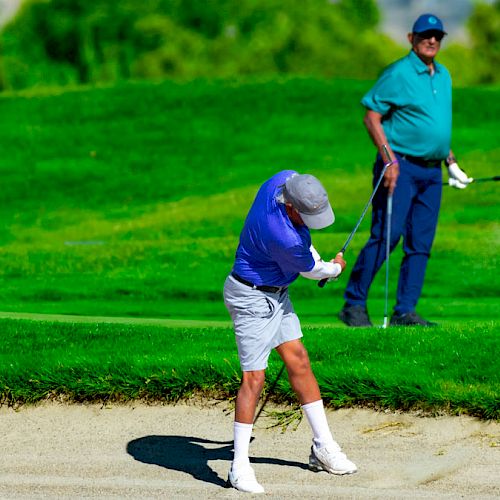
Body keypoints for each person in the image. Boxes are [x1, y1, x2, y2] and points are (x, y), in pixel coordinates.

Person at [223, 170, 357, 494]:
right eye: (308, 216)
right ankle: (238, 466)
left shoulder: (280, 181)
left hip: (277, 294)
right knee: (254, 379)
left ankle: (322, 447)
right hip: (251, 297)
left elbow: (307, 253)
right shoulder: (281, 234)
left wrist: (322, 263)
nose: (312, 221)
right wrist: (335, 269)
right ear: (293, 208)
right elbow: (311, 268)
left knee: (298, 360)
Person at [339, 13, 473, 328]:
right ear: (411, 38)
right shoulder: (399, 73)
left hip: (431, 173)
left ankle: (405, 311)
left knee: (420, 243)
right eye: (426, 35)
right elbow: (371, 117)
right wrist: (389, 158)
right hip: (400, 167)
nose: (432, 40)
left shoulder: (443, 76)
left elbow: (434, 127)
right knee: (388, 235)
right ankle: (354, 304)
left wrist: (450, 162)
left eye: (437, 35)